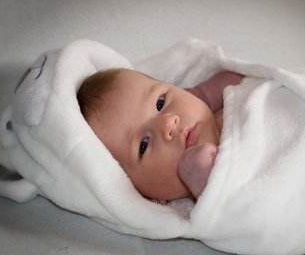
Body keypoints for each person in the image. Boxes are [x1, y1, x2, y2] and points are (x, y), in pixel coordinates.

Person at [77, 68, 244, 203]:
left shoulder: (222, 105)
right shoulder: (208, 209)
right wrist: (207, 182)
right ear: (144, 196)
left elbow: (239, 77)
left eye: (160, 103)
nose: (167, 124)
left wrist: (202, 93)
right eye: (143, 145)